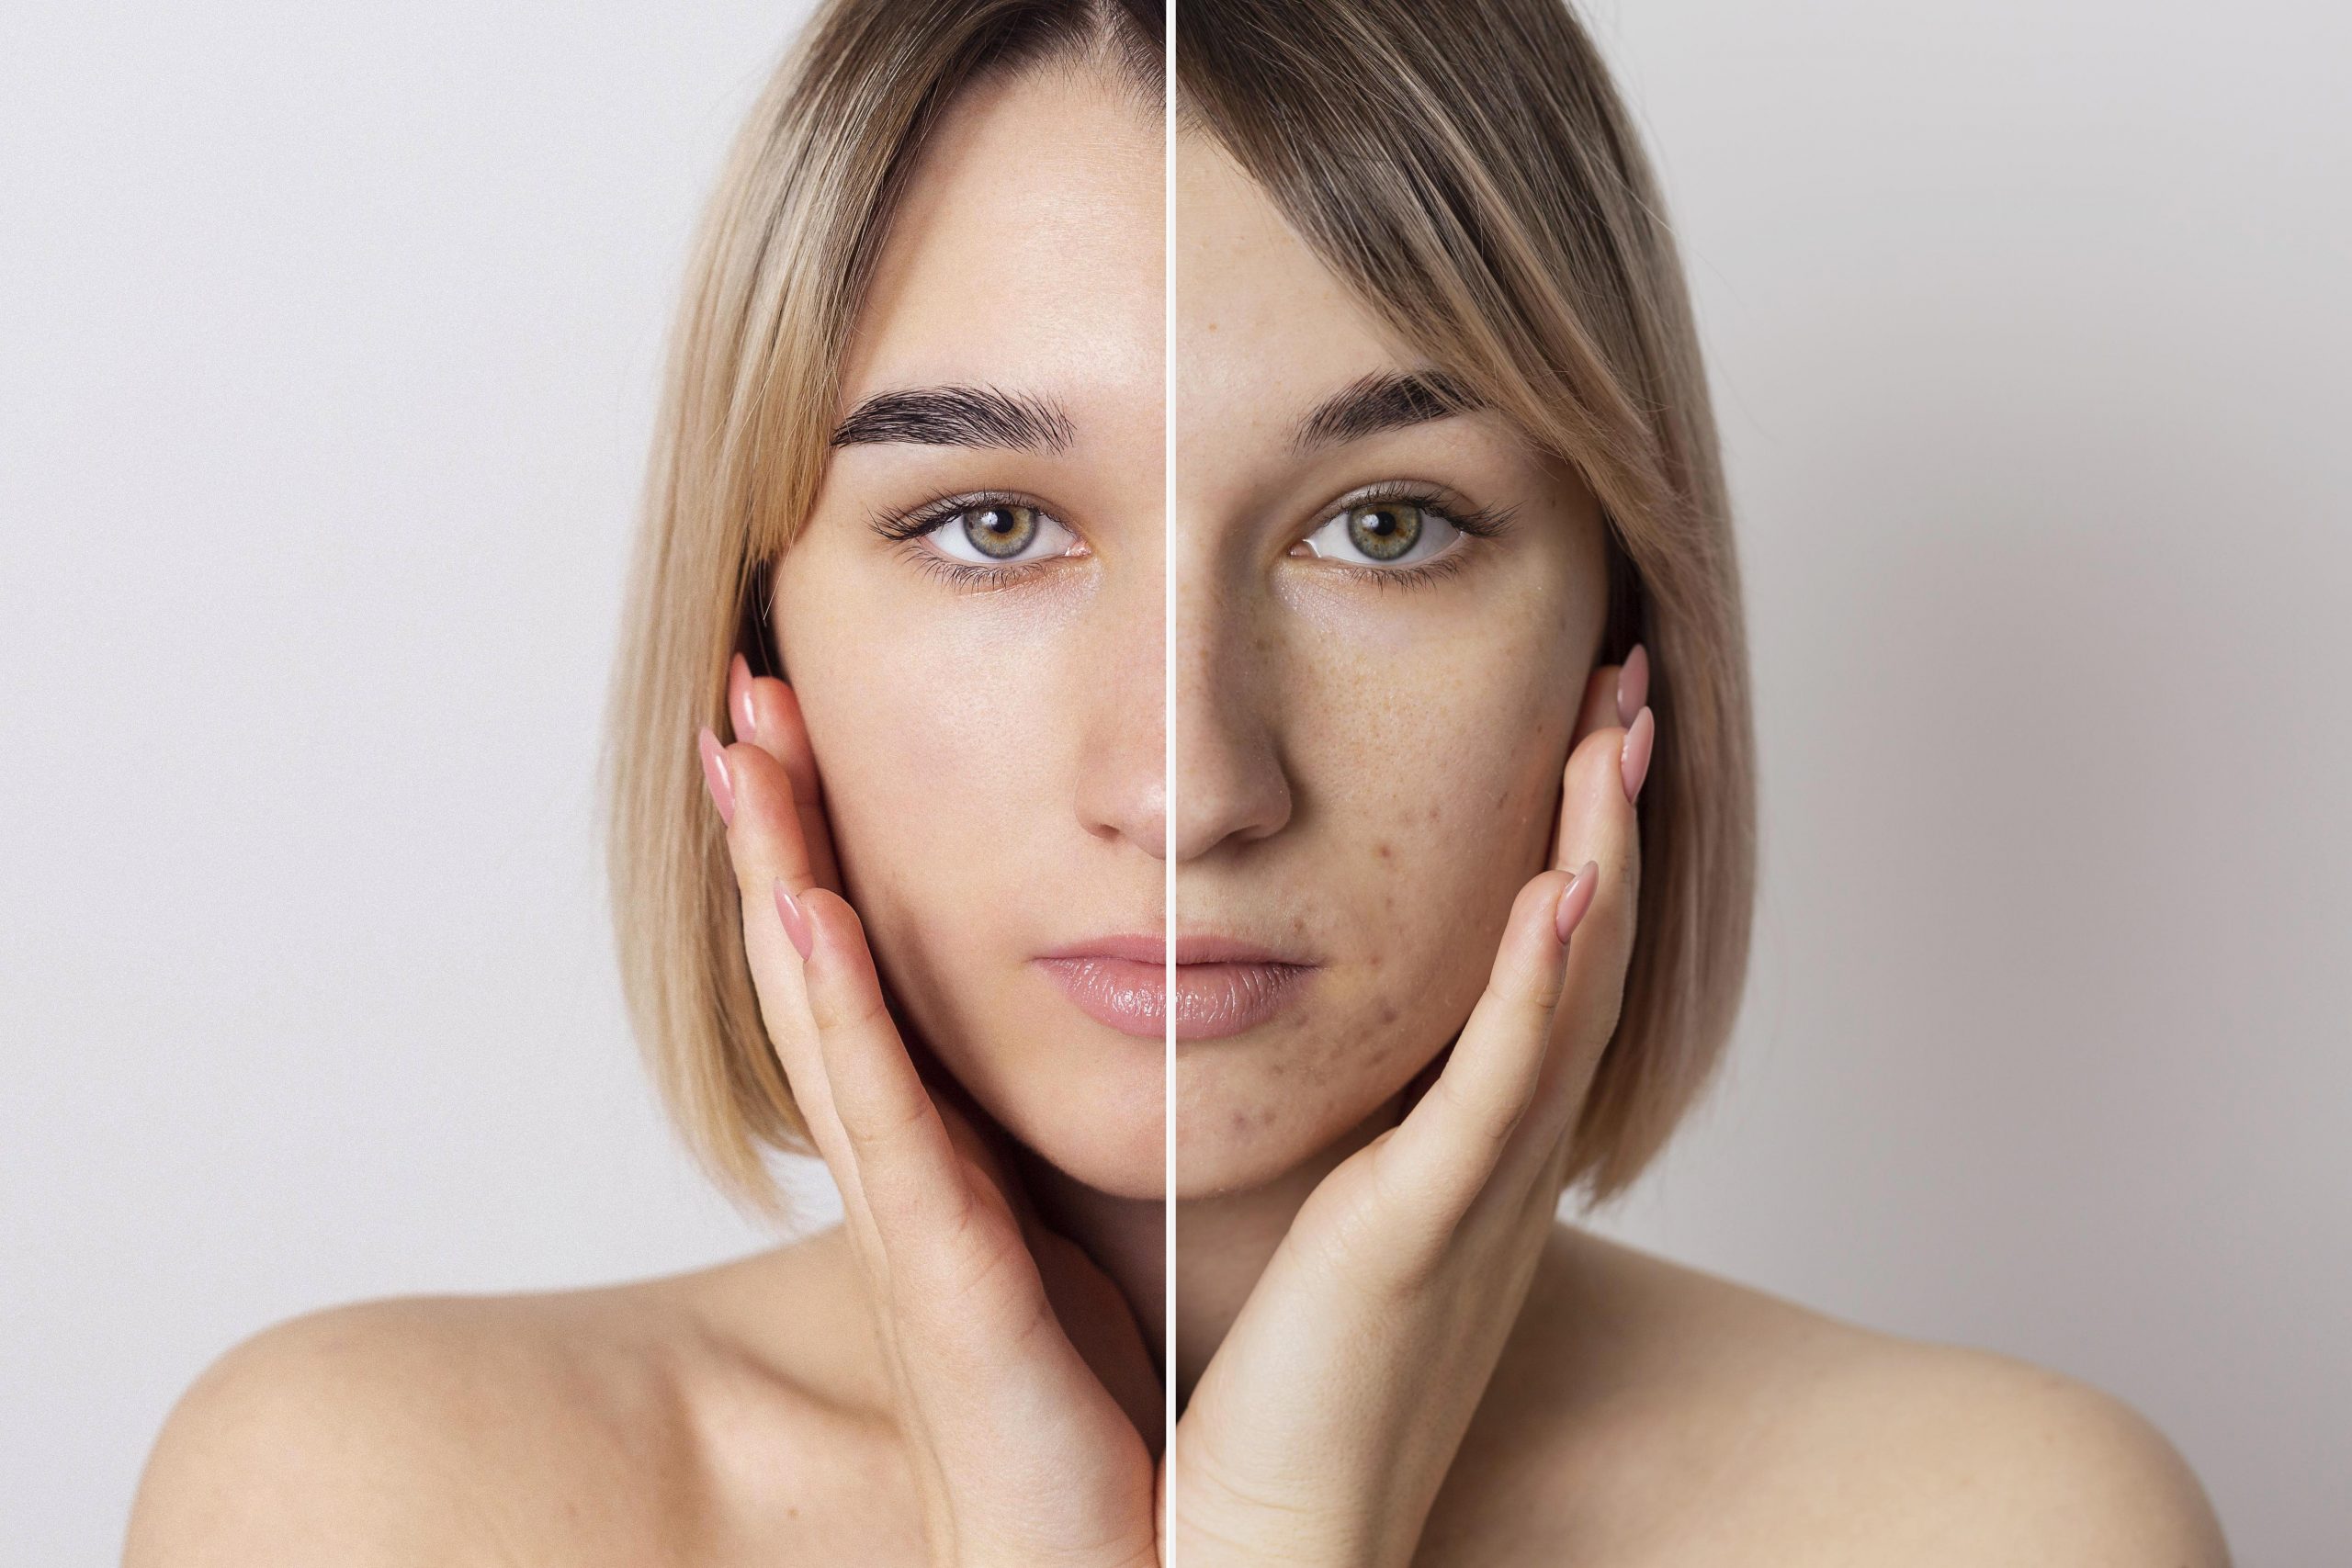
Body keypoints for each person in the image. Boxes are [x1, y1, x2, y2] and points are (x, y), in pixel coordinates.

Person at [123, 0, 2232, 1562]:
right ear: (757, 646)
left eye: (1382, 524)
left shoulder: (1990, 1524)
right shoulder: (374, 1497)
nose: (1186, 775)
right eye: (987, 524)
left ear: (1619, 653)